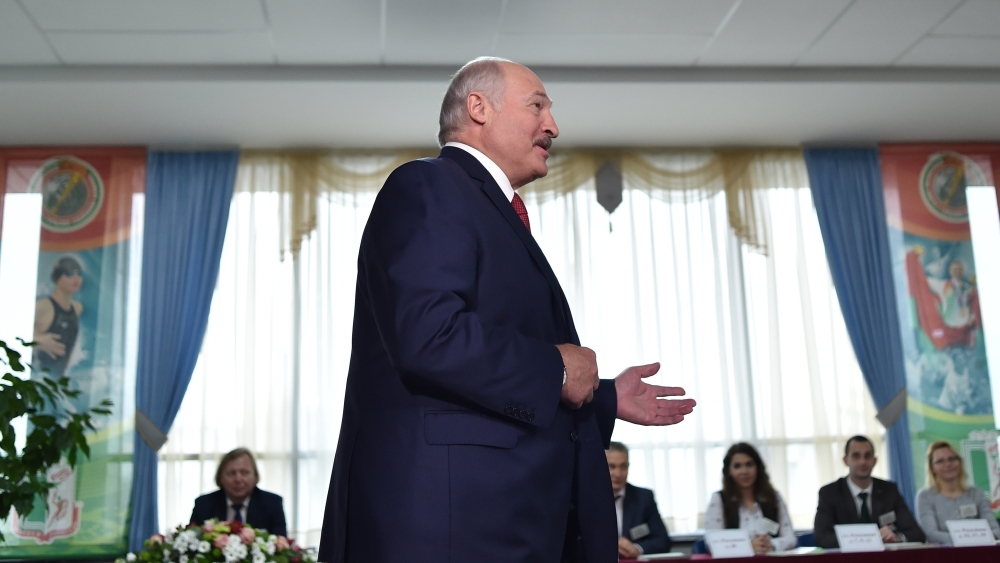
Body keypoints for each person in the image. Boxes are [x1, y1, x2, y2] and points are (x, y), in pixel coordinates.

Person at [317, 57, 696, 563]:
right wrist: (558, 367)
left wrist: (603, 398)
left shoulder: (489, 208)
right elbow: (429, 336)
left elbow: (482, 377)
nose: (553, 126)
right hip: (450, 530)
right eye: (536, 105)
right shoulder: (428, 185)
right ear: (478, 108)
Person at [814, 435, 925, 547]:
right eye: (856, 456)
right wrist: (868, 539)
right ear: (846, 460)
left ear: (875, 460)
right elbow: (822, 537)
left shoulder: (889, 490)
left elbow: (916, 534)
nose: (863, 461)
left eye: (868, 456)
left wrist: (896, 537)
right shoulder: (830, 493)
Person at [704, 443, 796, 553]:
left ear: (758, 467)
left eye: (749, 464)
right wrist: (747, 546)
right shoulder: (719, 499)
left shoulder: (773, 497)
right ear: (729, 471)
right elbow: (712, 541)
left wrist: (770, 545)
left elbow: (790, 538)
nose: (744, 471)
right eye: (737, 466)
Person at [915, 440, 1000, 544]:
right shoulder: (925, 496)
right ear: (932, 468)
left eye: (952, 459)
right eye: (940, 461)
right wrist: (968, 540)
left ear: (960, 462)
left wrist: (983, 538)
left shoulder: (976, 493)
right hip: (944, 556)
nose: (948, 464)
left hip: (980, 553)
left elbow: (995, 529)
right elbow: (931, 533)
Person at [190, 448, 287, 537]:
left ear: (255, 476)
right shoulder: (203, 504)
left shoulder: (272, 504)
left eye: (245, 473)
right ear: (220, 477)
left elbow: (281, 545)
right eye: (231, 473)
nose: (238, 479)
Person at [606, 442, 671, 557]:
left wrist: (637, 548)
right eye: (612, 467)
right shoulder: (585, 499)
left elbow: (662, 540)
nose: (618, 473)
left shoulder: (643, 497)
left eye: (623, 466)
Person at [33, 256, 84, 377]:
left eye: (79, 274)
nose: (76, 279)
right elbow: (10, 332)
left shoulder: (78, 308)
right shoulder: (42, 307)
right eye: (70, 274)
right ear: (57, 278)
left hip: (59, 379)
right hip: (36, 379)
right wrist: (36, 340)